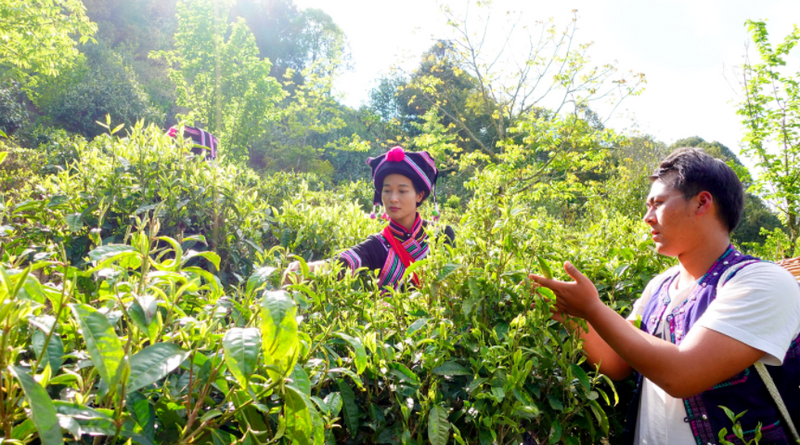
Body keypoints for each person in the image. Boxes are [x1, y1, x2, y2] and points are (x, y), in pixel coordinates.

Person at [532, 148, 800, 444]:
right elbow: (618, 364)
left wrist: (593, 309)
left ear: (702, 202)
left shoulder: (763, 282)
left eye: (657, 203)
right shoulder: (660, 285)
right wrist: (572, 317)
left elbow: (683, 375)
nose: (647, 218)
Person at [283, 146, 454, 289]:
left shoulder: (442, 233)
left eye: (402, 191)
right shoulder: (380, 244)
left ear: (419, 195)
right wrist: (307, 269)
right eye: (387, 190)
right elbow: (348, 260)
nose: (393, 198)